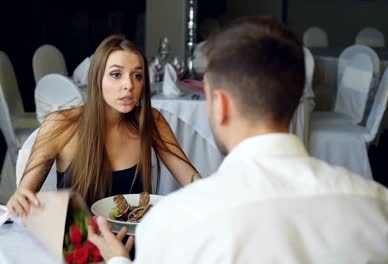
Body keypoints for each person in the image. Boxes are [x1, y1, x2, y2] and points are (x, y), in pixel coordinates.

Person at [87, 17, 388, 263]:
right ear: (296, 98)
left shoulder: (175, 223)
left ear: (221, 105)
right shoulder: (378, 205)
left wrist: (116, 260)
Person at [7, 34, 199, 216]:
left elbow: (191, 180)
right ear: (97, 79)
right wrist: (19, 200)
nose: (129, 85)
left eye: (137, 76)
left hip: (131, 244)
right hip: (78, 246)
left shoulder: (150, 121)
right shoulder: (61, 124)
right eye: (116, 74)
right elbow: (24, 194)